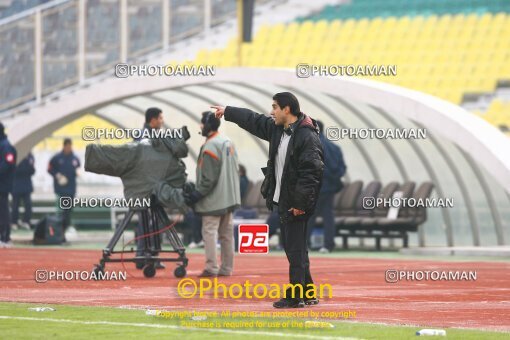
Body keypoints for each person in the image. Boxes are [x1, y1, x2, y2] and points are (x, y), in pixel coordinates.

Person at [212, 92, 324, 308]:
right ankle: (308, 293)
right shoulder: (277, 129)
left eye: (274, 107)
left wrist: (300, 205)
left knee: (295, 250)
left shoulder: (307, 136)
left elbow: (311, 173)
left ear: (287, 110)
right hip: (284, 200)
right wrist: (228, 112)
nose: (271, 112)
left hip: (296, 203)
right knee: (295, 248)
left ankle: (295, 297)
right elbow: (253, 120)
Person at [184, 111, 241, 277]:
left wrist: (196, 195)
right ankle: (227, 269)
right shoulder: (228, 142)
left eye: (202, 123)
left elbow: (208, 179)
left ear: (208, 125)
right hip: (229, 198)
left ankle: (211, 268)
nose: (201, 126)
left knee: (209, 233)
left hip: (214, 200)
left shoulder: (210, 146)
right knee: (227, 236)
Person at [134, 107, 166, 269]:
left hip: (152, 186)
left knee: (151, 221)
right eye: (160, 118)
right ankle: (143, 256)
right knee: (147, 222)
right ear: (152, 120)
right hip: (147, 187)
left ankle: (149, 256)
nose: (162, 121)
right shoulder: (144, 137)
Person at [308, 120, 346, 253]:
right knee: (328, 216)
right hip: (330, 187)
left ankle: (305, 244)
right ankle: (328, 244)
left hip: (316, 185)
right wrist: (333, 179)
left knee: (309, 215)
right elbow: (342, 169)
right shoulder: (335, 148)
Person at [47, 138, 80, 242]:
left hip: (71, 189)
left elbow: (77, 168)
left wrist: (77, 172)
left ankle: (65, 229)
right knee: (61, 211)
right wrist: (57, 175)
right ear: (64, 146)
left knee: (68, 211)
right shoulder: (56, 158)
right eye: (68, 146)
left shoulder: (75, 158)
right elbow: (49, 168)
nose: (69, 148)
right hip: (61, 190)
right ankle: (59, 231)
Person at [0, 122, 17, 248]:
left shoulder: (5, 146)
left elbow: (8, 163)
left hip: (3, 185)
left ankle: (4, 237)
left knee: (3, 211)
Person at [12, 152, 35, 230]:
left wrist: (27, 167)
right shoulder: (15, 155)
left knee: (28, 205)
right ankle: (14, 222)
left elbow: (32, 170)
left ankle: (26, 221)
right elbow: (14, 169)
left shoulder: (30, 156)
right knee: (15, 205)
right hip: (16, 185)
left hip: (27, 185)